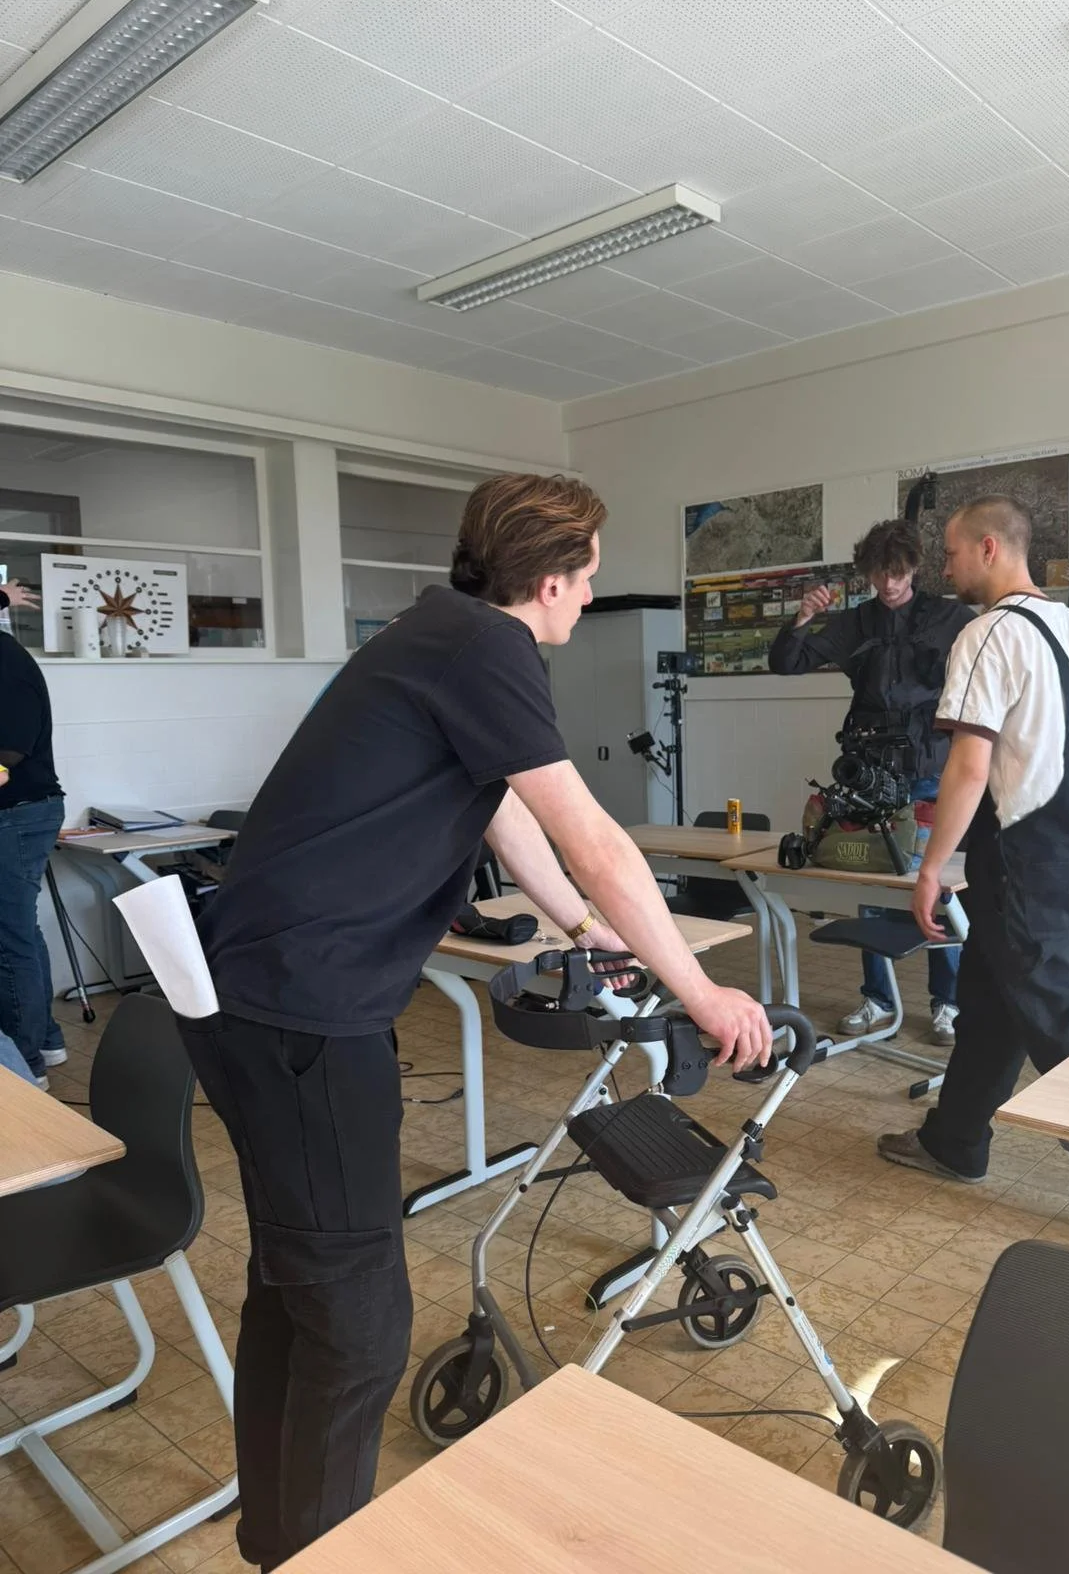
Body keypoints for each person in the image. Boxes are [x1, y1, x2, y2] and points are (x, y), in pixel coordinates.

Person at [181, 474, 773, 1571]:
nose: (588, 597)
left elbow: (504, 808)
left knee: (294, 1286)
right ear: (549, 581)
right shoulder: (488, 648)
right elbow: (593, 833)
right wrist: (700, 989)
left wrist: (582, 924)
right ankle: (311, 1554)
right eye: (586, 579)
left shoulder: (438, 632)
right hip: (305, 1014)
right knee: (358, 1331)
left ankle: (276, 1541)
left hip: (256, 997)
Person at [874, 499, 1069, 1250]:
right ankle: (955, 1139)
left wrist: (932, 867)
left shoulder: (987, 633)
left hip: (1016, 860)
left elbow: (969, 763)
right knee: (990, 998)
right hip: (1064, 856)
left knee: (1060, 1024)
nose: (945, 568)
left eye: (950, 553)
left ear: (988, 548)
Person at [769, 518, 974, 1042]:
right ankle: (878, 998)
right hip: (869, 770)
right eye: (879, 574)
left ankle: (948, 1002)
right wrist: (803, 618)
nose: (889, 584)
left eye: (898, 573)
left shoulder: (950, 617)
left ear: (915, 567)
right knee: (871, 878)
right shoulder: (856, 623)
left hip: (929, 769)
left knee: (939, 886)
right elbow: (787, 663)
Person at [0, 580, 69, 1089]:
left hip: (18, 814)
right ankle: (45, 1041)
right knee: (20, 932)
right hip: (20, 813)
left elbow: (7, 756)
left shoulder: (6, 662)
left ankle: (26, 1070)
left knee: (8, 940)